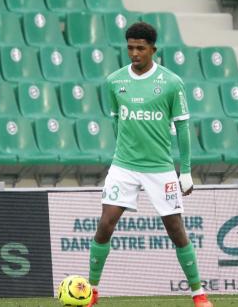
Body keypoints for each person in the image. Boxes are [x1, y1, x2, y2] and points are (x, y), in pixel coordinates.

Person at [87, 22, 212, 307]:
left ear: (153, 50)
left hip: (160, 169)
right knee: (105, 223)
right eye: (130, 47)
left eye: (140, 48)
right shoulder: (114, 82)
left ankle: (198, 293)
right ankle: (92, 289)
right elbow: (117, 122)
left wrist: (187, 171)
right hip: (124, 166)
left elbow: (182, 128)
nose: (134, 53)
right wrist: (123, 156)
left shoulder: (171, 83)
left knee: (175, 228)